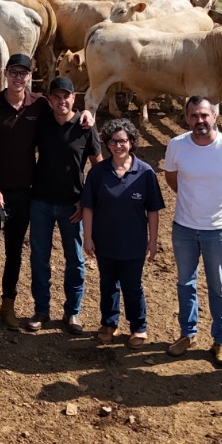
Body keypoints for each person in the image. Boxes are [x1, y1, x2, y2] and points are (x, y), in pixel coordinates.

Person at [0, 53, 93, 338]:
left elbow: (67, 114)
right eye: (13, 72)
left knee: (15, 253)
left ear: (29, 76)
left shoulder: (39, 104)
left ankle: (8, 306)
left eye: (23, 73)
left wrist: (88, 114)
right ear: (5, 73)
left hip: (24, 192)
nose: (18, 78)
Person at [161, 96, 222, 369]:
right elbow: (171, 178)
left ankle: (221, 340)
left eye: (204, 115)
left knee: (219, 287)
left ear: (215, 116)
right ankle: (187, 333)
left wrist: (221, 203)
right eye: (193, 116)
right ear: (186, 118)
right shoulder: (177, 145)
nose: (199, 121)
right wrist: (193, 200)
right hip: (185, 227)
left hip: (217, 229)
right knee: (185, 283)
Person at [26, 76, 101, 334]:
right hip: (41, 201)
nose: (62, 101)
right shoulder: (42, 123)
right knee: (39, 257)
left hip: (73, 205)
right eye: (56, 96)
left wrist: (86, 199)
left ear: (74, 98)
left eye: (66, 96)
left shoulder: (85, 128)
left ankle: (72, 313)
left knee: (75, 260)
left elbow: (98, 166)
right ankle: (42, 310)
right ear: (50, 99)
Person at [81, 118, 163, 349]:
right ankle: (109, 323)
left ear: (132, 142)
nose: (119, 146)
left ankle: (138, 326)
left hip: (134, 243)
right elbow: (88, 207)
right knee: (107, 283)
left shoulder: (145, 173)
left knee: (132, 285)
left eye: (123, 141)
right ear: (107, 144)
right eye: (114, 141)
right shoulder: (98, 173)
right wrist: (87, 237)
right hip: (104, 240)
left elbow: (153, 210)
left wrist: (153, 241)